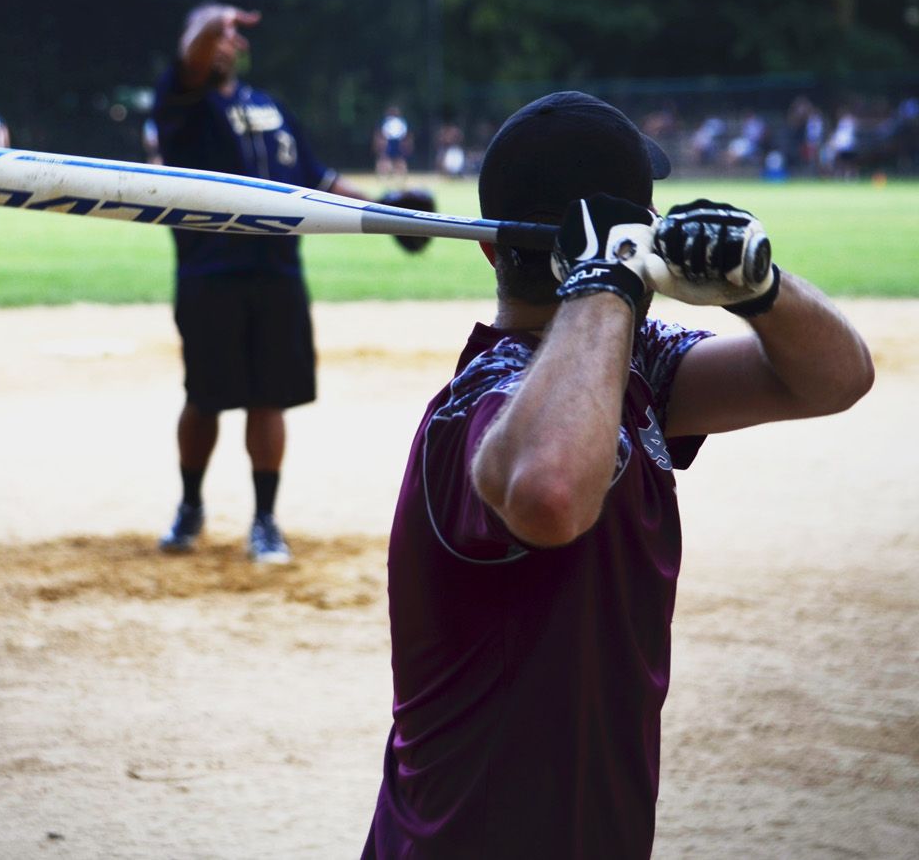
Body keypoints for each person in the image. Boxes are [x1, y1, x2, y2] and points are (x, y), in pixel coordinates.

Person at [361, 91, 874, 857]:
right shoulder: (477, 406)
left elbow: (836, 379)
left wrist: (761, 289)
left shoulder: (638, 368)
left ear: (492, 250)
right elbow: (551, 493)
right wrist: (604, 286)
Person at [150, 1, 372, 564]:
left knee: (269, 399)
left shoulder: (270, 107)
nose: (229, 41)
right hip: (210, 274)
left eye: (232, 35)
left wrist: (387, 210)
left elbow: (319, 180)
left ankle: (265, 520)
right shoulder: (182, 102)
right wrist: (214, 20)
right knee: (204, 398)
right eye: (218, 35)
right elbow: (192, 55)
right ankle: (190, 505)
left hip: (277, 274)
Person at [374, 105, 413, 178]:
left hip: (397, 141)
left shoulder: (400, 121)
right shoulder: (386, 121)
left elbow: (404, 133)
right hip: (388, 141)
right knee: (385, 157)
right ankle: (384, 173)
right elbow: (382, 132)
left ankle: (401, 174)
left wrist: (404, 143)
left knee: (399, 159)